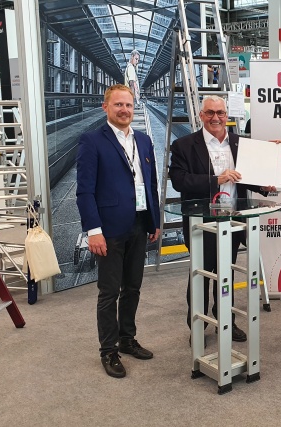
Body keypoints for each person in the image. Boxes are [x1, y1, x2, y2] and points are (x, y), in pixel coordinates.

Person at [169, 95, 273, 344]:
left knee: (226, 273)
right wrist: (216, 179)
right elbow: (179, 181)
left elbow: (247, 175)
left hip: (233, 222)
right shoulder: (184, 145)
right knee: (201, 275)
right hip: (201, 222)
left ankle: (226, 320)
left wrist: (265, 185)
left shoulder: (240, 143)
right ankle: (198, 324)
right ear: (201, 115)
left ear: (227, 116)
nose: (216, 117)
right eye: (210, 113)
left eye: (221, 113)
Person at [76, 84, 161, 378]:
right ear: (106, 107)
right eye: (118, 105)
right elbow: (84, 191)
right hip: (109, 228)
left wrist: (155, 220)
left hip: (139, 223)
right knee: (109, 292)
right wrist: (93, 231)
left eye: (128, 105)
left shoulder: (144, 140)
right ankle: (108, 350)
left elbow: (150, 184)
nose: (125, 110)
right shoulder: (92, 141)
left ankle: (127, 339)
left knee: (133, 288)